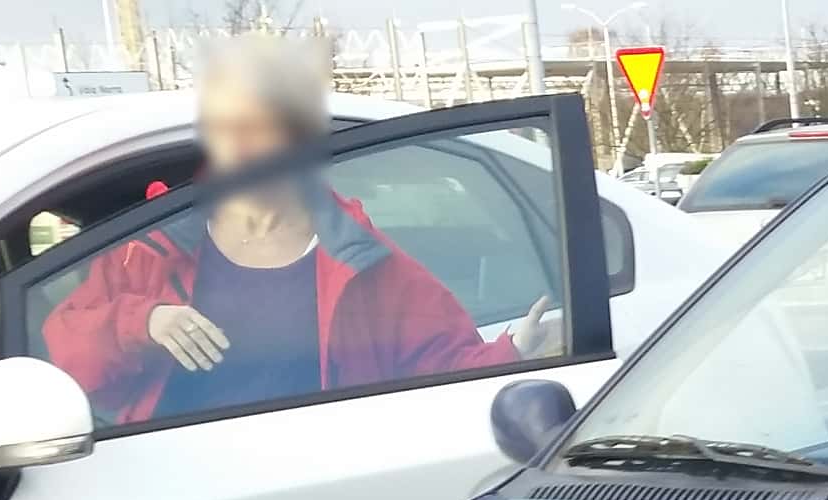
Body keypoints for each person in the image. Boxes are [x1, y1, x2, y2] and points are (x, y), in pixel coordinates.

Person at [42, 36, 561, 426]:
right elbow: (68, 358)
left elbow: (440, 361)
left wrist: (513, 349)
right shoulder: (152, 246)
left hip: (306, 487)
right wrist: (145, 323)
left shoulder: (361, 258)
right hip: (170, 488)